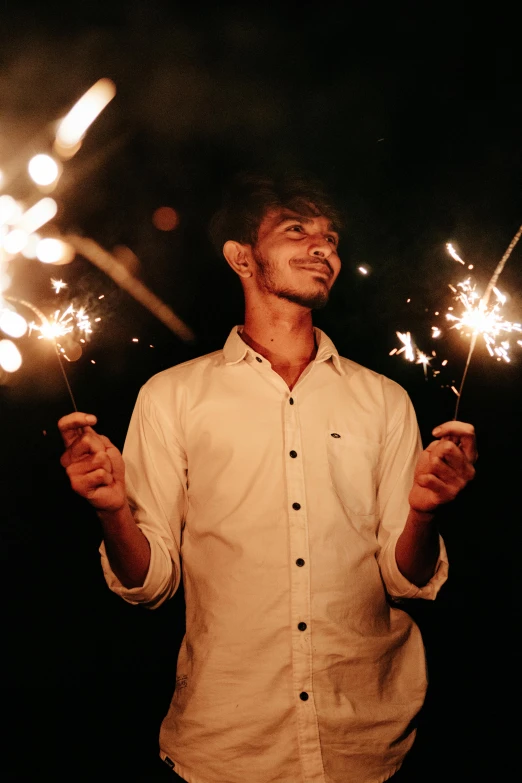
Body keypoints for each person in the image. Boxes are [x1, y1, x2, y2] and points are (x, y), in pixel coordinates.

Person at [58, 172, 477, 783]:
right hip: (227, 747)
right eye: (297, 231)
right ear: (241, 257)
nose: (322, 249)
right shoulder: (173, 396)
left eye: (331, 239)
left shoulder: (384, 401)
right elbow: (150, 584)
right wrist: (111, 510)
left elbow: (405, 581)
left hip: (368, 743)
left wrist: (424, 512)